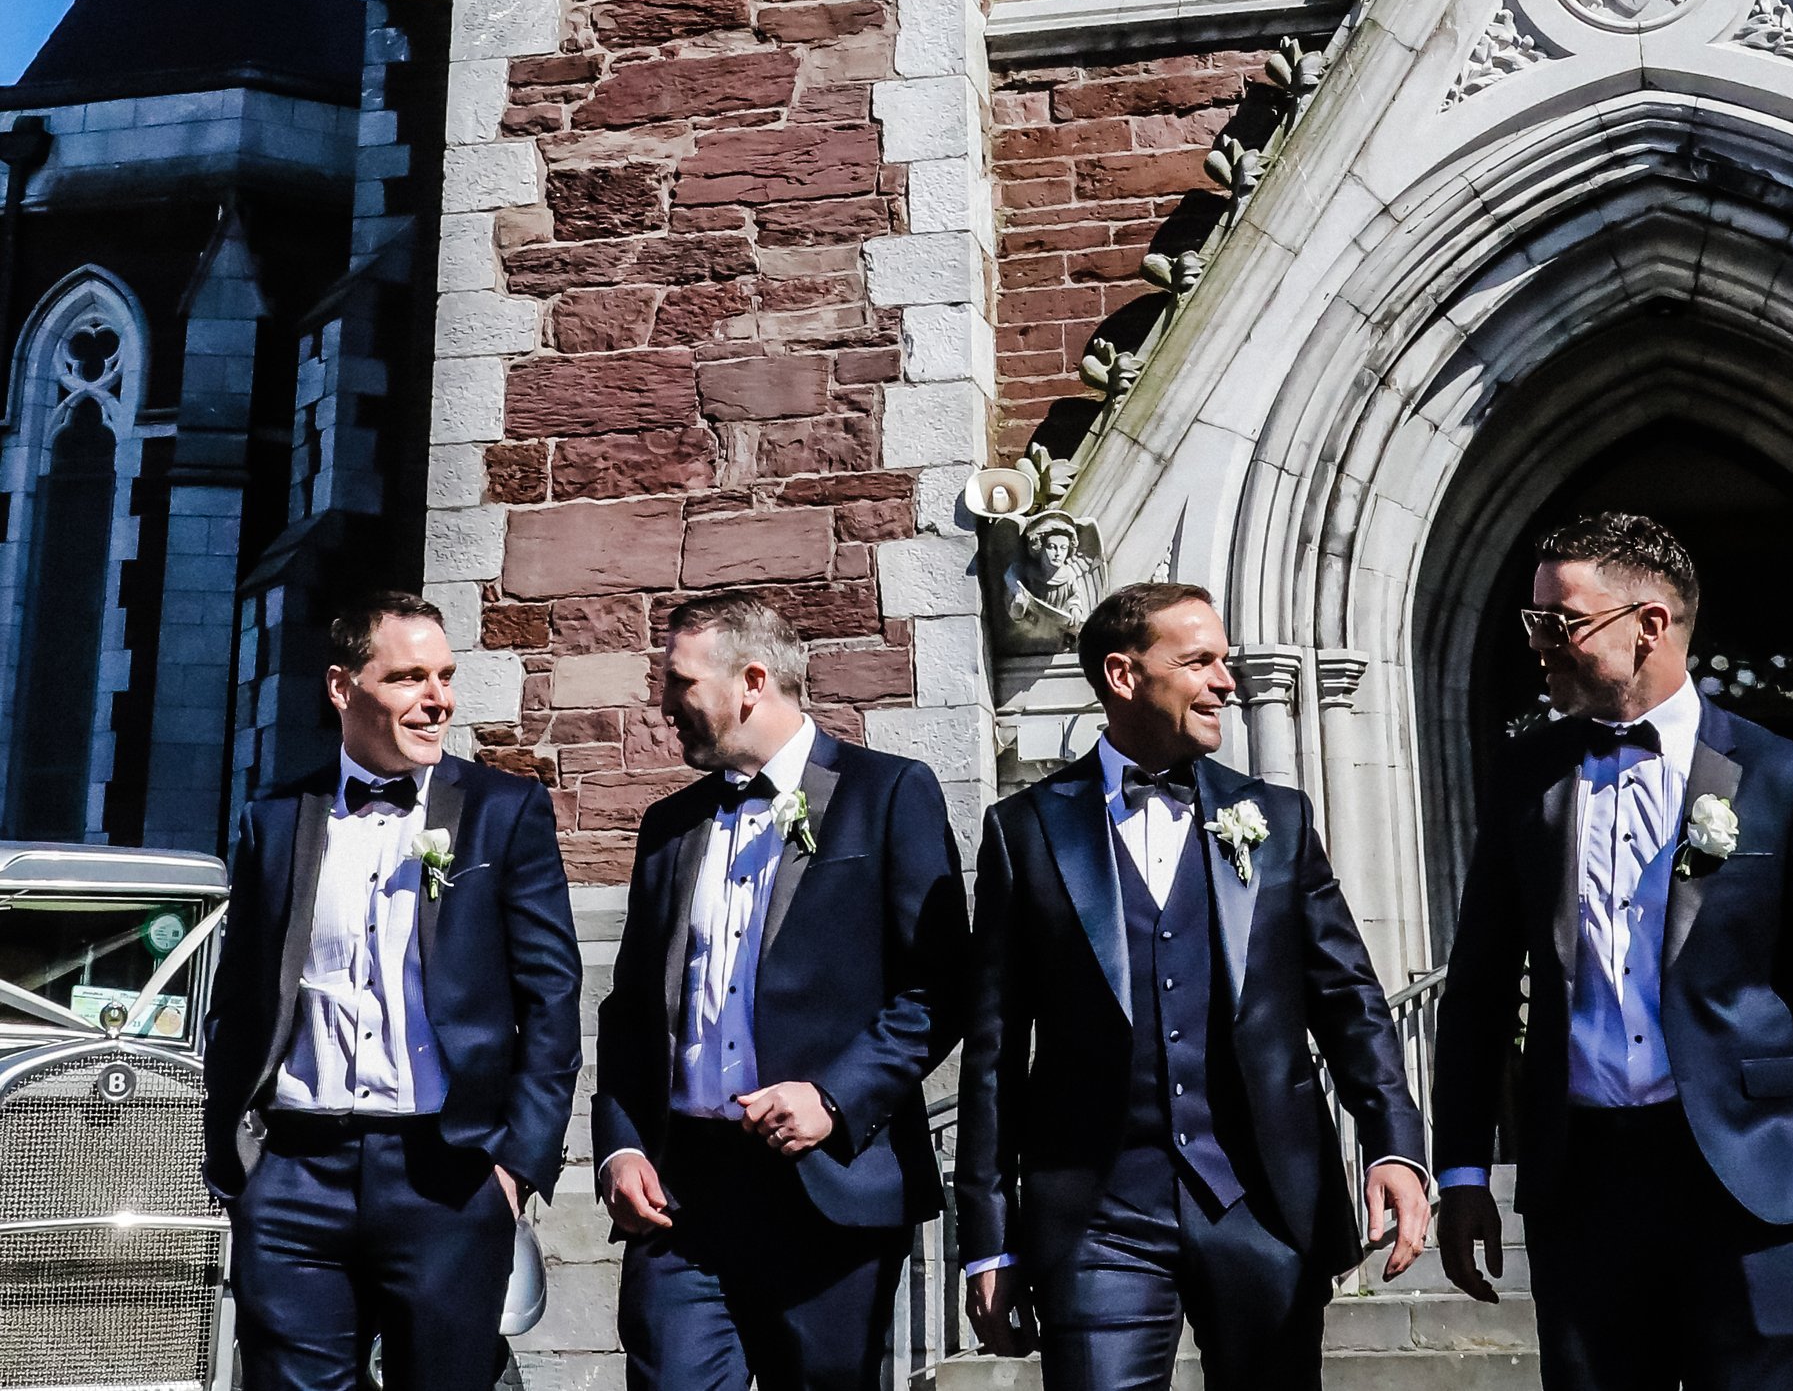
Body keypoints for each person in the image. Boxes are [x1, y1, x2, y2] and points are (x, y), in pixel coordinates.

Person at [1434, 510, 1793, 1391]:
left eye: (1561, 621)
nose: (1538, 643)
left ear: (1649, 624)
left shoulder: (1785, 776)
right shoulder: (1525, 775)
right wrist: (1460, 1168)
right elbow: (1478, 985)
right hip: (1583, 1182)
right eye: (1533, 621)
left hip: (1750, 1177)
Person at [956, 580, 1433, 1391]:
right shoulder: (1026, 830)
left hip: (1259, 1200)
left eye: (1226, 661)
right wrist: (990, 1238)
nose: (1227, 682)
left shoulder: (1275, 819)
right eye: (1201, 661)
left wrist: (1394, 1141)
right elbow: (994, 1051)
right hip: (1099, 1216)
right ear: (1123, 674)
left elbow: (1348, 999)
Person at [203, 590, 583, 1391]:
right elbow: (240, 1000)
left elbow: (551, 997)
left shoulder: (503, 811)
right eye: (410, 677)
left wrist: (515, 1166)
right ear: (344, 688)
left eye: (444, 675)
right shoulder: (275, 818)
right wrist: (238, 1166)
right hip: (297, 1172)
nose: (437, 698)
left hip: (446, 1174)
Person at [593, 590, 970, 1391]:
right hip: (683, 1196)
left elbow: (939, 987)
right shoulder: (668, 826)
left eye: (679, 684)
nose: (662, 707)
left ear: (751, 681)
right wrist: (621, 1147)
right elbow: (631, 1012)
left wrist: (833, 1097)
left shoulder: (890, 793)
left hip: (828, 1190)